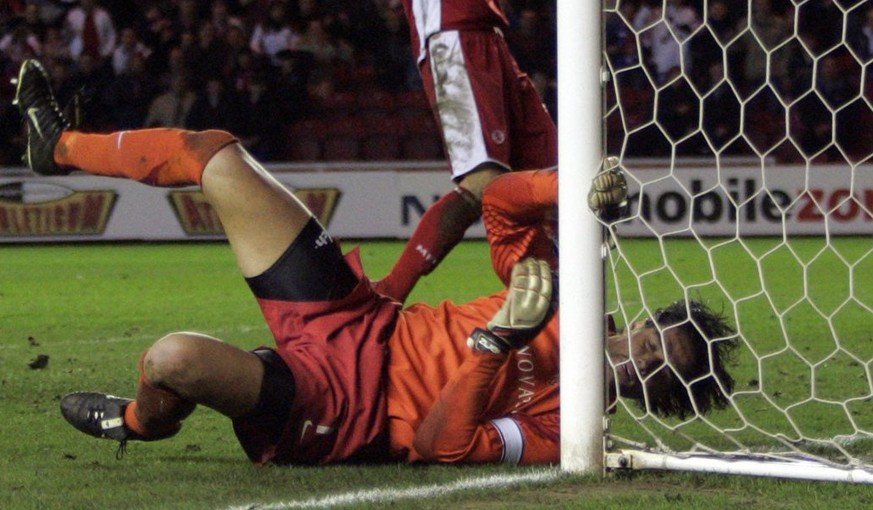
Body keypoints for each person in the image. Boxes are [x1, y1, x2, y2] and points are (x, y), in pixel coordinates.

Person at [15, 58, 736, 465]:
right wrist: (567, 190)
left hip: (334, 410)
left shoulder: (566, 431)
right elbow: (498, 204)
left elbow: (438, 445)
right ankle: (60, 148)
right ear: (638, 320)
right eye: (646, 344)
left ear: (647, 395)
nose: (632, 361)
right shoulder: (568, 293)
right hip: (350, 317)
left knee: (173, 361)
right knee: (215, 154)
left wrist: (494, 345)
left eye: (650, 371)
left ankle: (142, 422)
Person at [373, 0, 559, 304]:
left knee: (552, 182)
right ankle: (390, 293)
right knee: (483, 182)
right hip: (453, 30)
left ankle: (562, 315)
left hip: (491, 34)